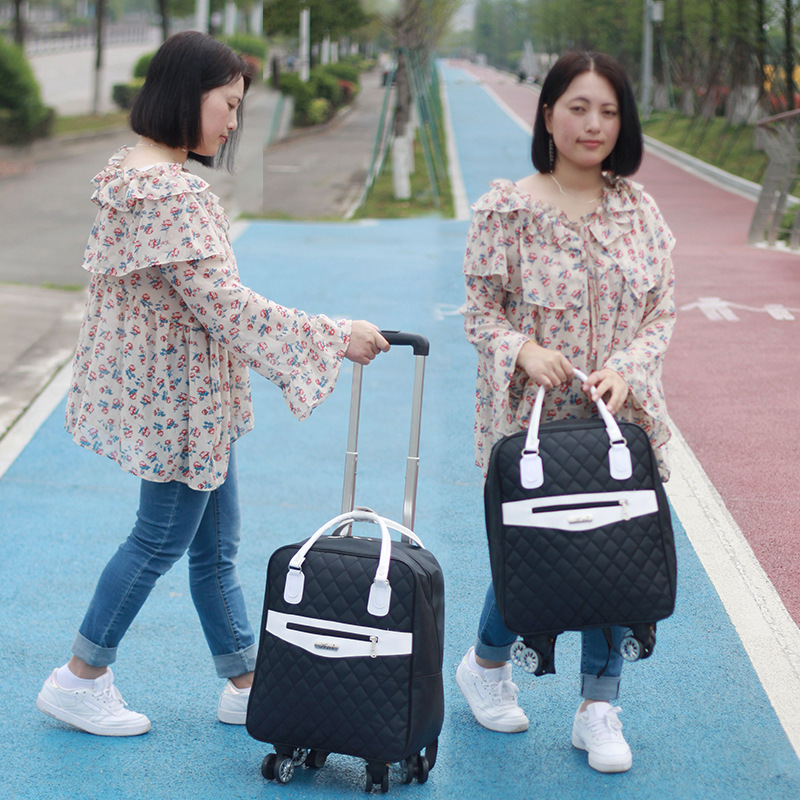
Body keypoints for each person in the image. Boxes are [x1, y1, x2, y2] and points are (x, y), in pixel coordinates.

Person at [35, 31, 389, 737]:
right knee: (159, 539)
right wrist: (333, 335)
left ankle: (244, 681)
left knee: (213, 545)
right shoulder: (172, 193)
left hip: (183, 400)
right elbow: (228, 308)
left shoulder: (128, 175)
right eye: (227, 104)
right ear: (186, 95)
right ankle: (81, 676)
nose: (233, 122)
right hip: (182, 405)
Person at [455, 51, 676, 773]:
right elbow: (480, 313)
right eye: (578, 107)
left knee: (614, 550)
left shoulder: (640, 212)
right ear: (548, 114)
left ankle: (597, 708)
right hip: (535, 423)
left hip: (618, 424)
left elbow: (661, 312)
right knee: (539, 552)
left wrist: (628, 368)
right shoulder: (506, 210)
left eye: (608, 111)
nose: (593, 124)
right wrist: (522, 349)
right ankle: (486, 665)